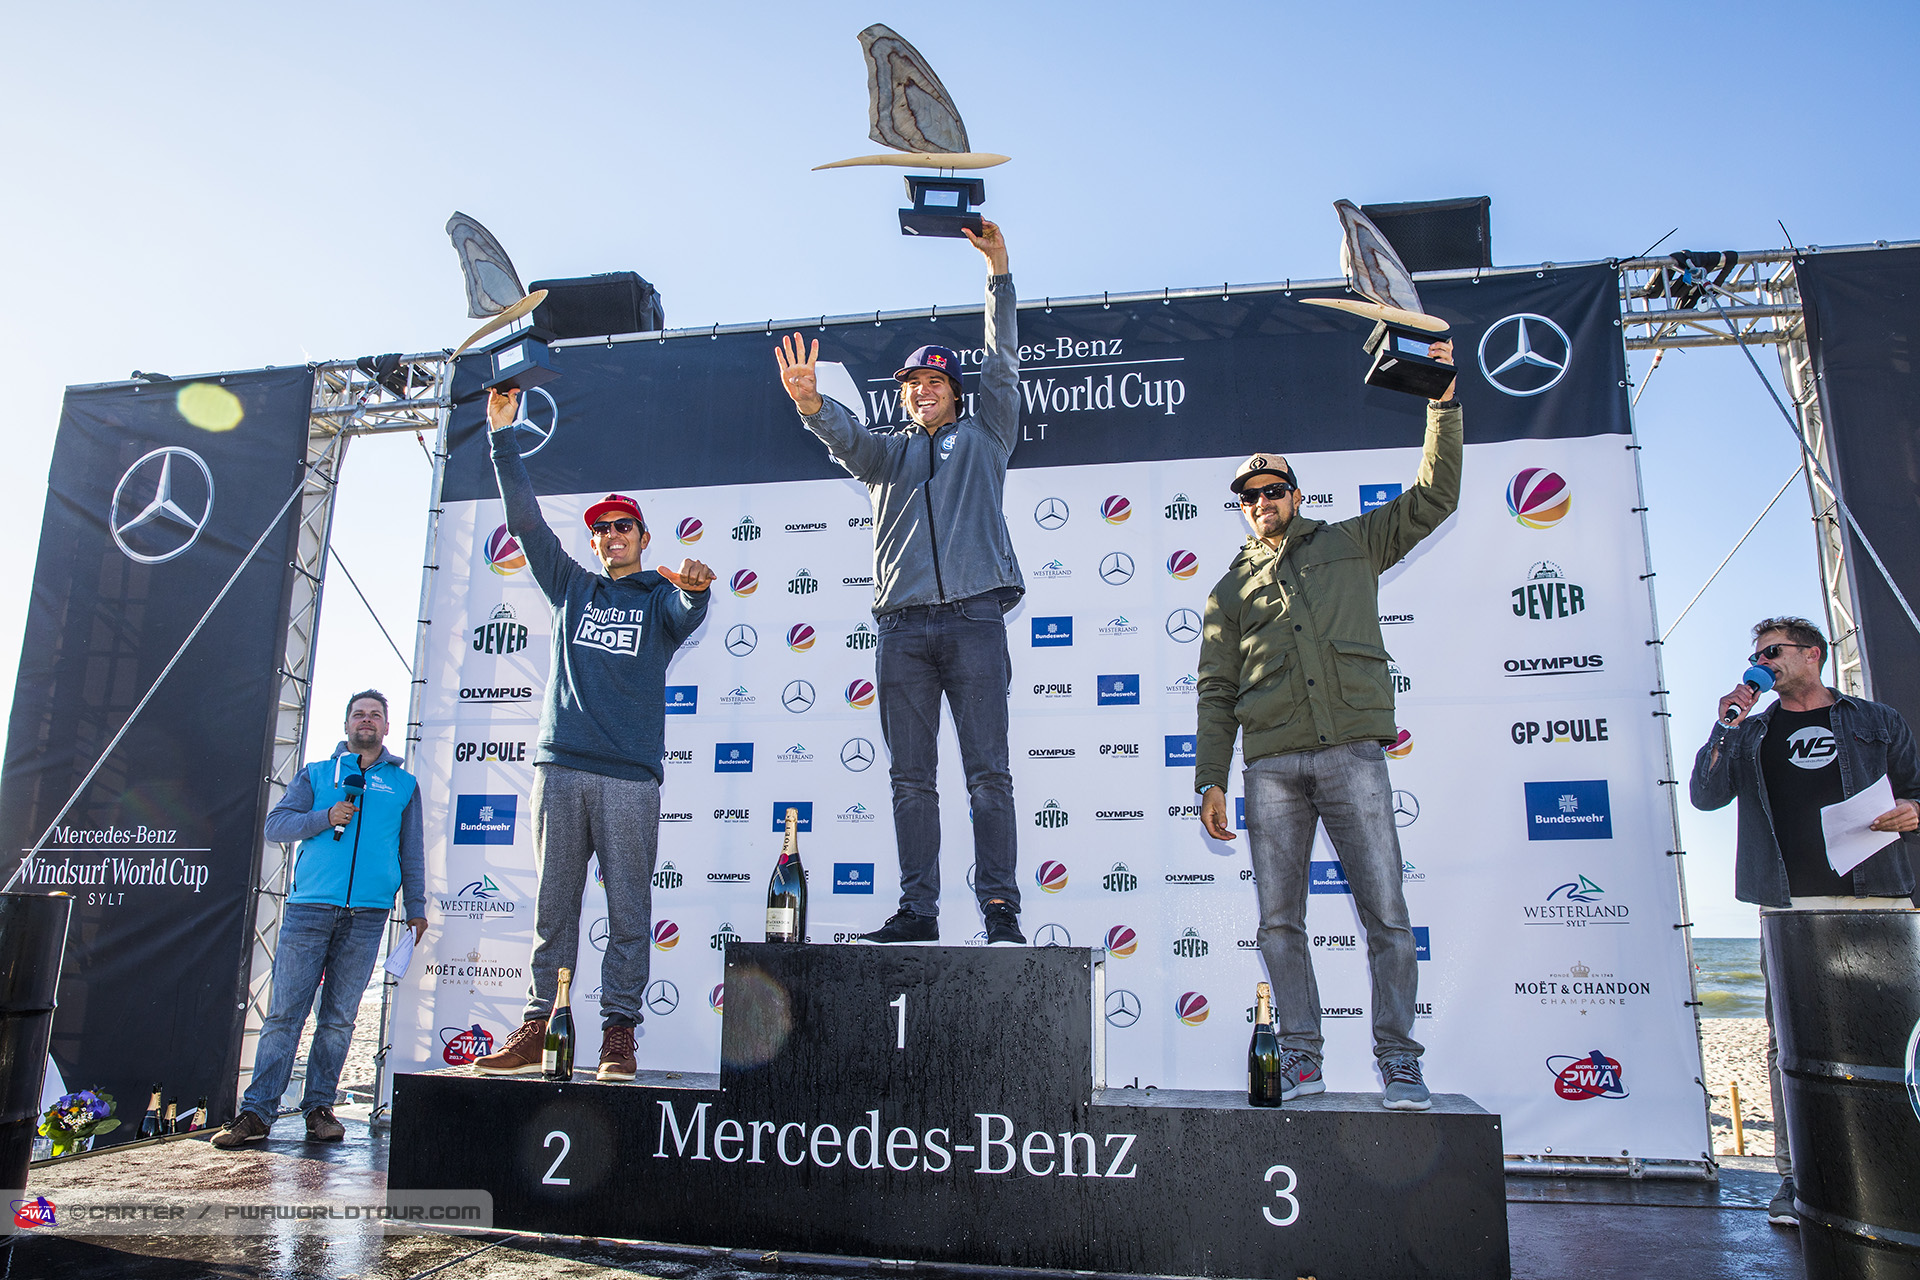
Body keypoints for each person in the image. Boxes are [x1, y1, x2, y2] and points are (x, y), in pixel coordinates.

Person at [1194, 343, 1460, 1112]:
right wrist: (1210, 779)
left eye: (1273, 490)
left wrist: (1442, 404)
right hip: (1271, 769)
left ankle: (1399, 1061)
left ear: (1296, 494)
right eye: (1250, 495)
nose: (1262, 501)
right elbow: (1216, 691)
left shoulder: (1351, 542)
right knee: (1279, 925)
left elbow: (1435, 495)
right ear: (1241, 507)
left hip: (1352, 757)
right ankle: (1302, 1058)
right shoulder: (1226, 592)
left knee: (1387, 916)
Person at [773, 220, 1025, 946]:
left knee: (988, 776)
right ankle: (918, 911)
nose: (922, 392)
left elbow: (1001, 361)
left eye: (935, 381)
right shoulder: (885, 456)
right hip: (903, 631)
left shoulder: (987, 436)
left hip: (975, 622)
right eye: (912, 385)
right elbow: (846, 437)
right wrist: (811, 404)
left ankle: (1000, 911)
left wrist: (998, 275)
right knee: (910, 780)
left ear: (955, 393)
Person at [473, 388, 714, 1081]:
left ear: (642, 539)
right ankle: (537, 1026)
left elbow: (687, 609)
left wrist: (695, 588)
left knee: (630, 912)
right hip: (561, 770)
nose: (612, 536)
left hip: (630, 778)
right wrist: (502, 437)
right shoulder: (571, 586)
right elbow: (525, 522)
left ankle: (618, 1034)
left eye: (623, 527)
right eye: (602, 529)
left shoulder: (658, 598)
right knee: (554, 909)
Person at [1689, 615, 1920, 1226]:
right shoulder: (1751, 729)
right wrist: (1725, 724)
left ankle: (1902, 1173)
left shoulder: (1876, 721)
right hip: (1790, 907)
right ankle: (1799, 1179)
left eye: (1774, 652)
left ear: (1813, 654)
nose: (1762, 664)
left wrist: (1913, 809)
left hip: (1877, 897)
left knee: (1895, 1037)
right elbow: (1706, 796)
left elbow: (1917, 788)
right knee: (1789, 1043)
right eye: (1757, 657)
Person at [213, 691, 426, 1147]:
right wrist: (325, 816)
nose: (366, 720)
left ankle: (319, 1108)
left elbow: (411, 851)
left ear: (387, 727)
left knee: (339, 1019)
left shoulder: (404, 784)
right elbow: (276, 826)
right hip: (309, 909)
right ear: (346, 724)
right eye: (359, 714)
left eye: (375, 715)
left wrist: (417, 907)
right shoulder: (315, 773)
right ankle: (257, 1112)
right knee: (285, 1015)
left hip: (368, 915)